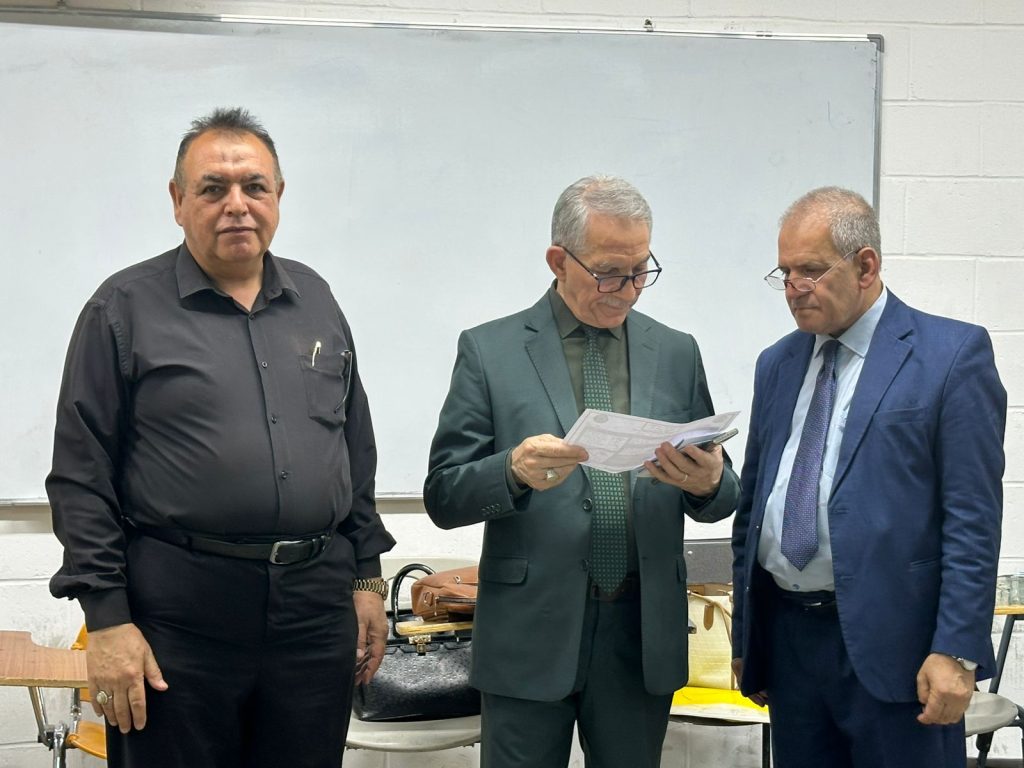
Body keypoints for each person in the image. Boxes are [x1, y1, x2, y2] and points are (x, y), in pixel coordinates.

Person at [46, 107, 396, 768]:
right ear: (178, 201)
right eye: (213, 188)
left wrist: (368, 581)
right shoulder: (122, 309)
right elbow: (80, 476)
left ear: (278, 196)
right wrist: (108, 621)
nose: (237, 204)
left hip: (314, 618)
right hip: (179, 622)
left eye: (254, 186)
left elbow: (353, 451)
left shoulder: (317, 300)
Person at [424, 175, 740, 768]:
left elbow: (722, 491)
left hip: (641, 635)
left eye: (641, 271)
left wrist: (709, 483)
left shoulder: (677, 352)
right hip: (529, 633)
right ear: (558, 260)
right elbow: (443, 495)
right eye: (609, 272)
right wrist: (512, 471)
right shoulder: (490, 351)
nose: (628, 290)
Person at [731, 186, 1006, 768]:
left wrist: (956, 649)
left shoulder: (951, 356)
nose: (793, 288)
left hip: (900, 652)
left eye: (810, 271)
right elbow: (754, 505)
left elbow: (973, 519)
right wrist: (747, 637)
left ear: (865, 266)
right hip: (790, 645)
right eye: (784, 273)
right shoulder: (777, 363)